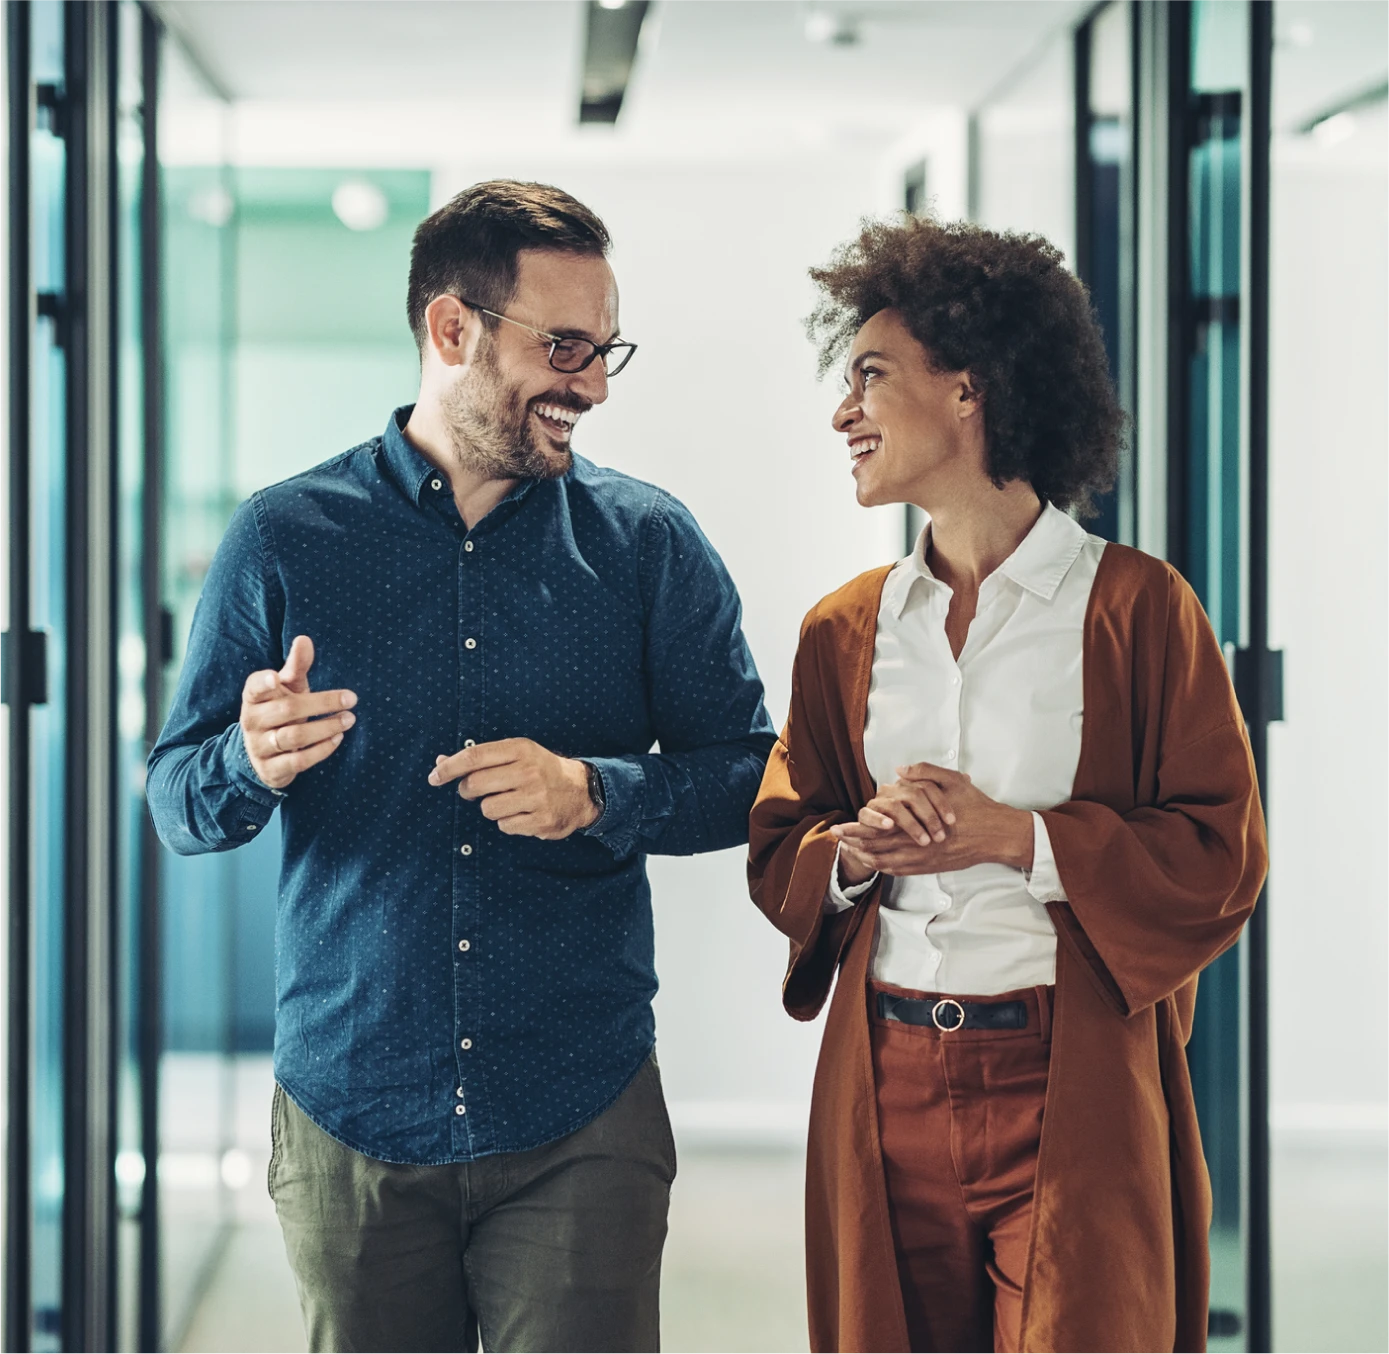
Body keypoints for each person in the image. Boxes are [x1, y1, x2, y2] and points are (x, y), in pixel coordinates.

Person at [148, 179, 776, 1354]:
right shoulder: (283, 539)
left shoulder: (649, 546)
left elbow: (754, 775)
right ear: (452, 330)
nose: (591, 385)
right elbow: (177, 799)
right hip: (351, 1113)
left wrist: (600, 792)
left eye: (605, 350)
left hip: (579, 1111)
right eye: (565, 346)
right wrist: (249, 758)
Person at [747, 215, 1267, 1354]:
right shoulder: (844, 629)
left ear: (970, 389)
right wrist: (860, 849)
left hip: (1066, 1080)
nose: (844, 412)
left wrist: (1016, 837)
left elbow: (1223, 856)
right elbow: (784, 843)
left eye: (870, 377)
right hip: (886, 1083)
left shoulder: (1137, 609)